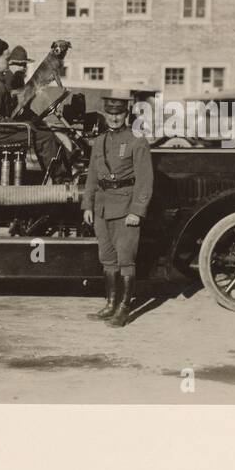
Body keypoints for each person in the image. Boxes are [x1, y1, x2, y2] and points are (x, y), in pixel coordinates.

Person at [82, 90, 154, 328]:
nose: (114, 118)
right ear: (105, 114)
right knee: (108, 259)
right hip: (102, 207)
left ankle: (124, 309)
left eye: (119, 113)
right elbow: (92, 176)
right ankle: (111, 303)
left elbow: (145, 180)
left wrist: (137, 210)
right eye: (110, 113)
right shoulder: (100, 141)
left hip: (125, 209)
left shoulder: (137, 140)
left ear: (127, 113)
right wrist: (87, 205)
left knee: (125, 260)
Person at [0, 38, 60, 177]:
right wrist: (23, 125)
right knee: (45, 137)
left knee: (41, 132)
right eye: (7, 59)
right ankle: (59, 179)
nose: (9, 62)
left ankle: (51, 176)